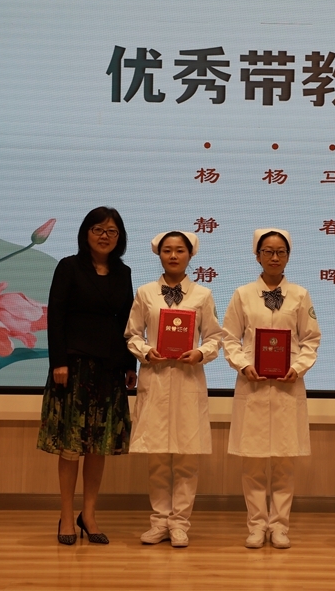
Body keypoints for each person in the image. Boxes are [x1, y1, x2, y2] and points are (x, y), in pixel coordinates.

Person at [37, 206, 137, 545]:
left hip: (110, 369)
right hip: (74, 368)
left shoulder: (123, 272)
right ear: (86, 233)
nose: (105, 236)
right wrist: (59, 362)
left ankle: (89, 514)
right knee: (71, 446)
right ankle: (66, 515)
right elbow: (56, 316)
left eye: (112, 231)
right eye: (98, 229)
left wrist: (130, 364)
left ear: (120, 237)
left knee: (99, 446)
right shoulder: (69, 267)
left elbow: (128, 321)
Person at [222, 229, 321, 550]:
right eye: (268, 251)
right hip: (252, 386)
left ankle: (279, 526)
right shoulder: (242, 294)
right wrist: (243, 364)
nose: (275, 257)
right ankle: (256, 525)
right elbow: (229, 338)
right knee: (252, 462)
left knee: (283, 462)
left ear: (288, 257)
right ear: (257, 256)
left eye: (281, 252)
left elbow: (311, 339)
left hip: (287, 387)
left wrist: (298, 367)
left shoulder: (301, 295)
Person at [125, 231, 223, 548]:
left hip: (187, 381)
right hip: (155, 379)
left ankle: (180, 523)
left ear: (190, 255)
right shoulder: (145, 293)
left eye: (180, 250)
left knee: (186, 460)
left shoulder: (203, 295)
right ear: (159, 255)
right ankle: (158, 522)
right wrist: (145, 351)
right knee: (156, 459)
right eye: (167, 250)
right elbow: (132, 334)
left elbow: (215, 338)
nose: (173, 256)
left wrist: (200, 353)